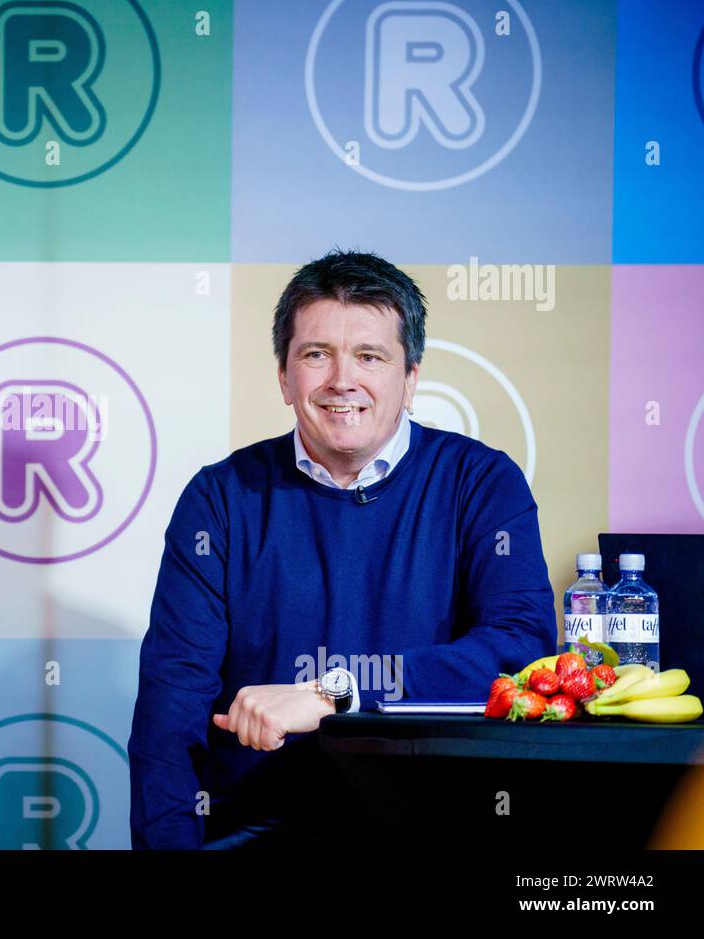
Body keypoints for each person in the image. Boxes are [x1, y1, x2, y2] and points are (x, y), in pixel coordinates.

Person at [128, 250, 555, 849]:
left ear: (410, 378)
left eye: (370, 356)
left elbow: (522, 650)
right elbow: (170, 713)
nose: (341, 381)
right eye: (316, 355)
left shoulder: (482, 483)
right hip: (259, 830)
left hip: (440, 827)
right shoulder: (219, 499)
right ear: (284, 376)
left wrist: (335, 693)